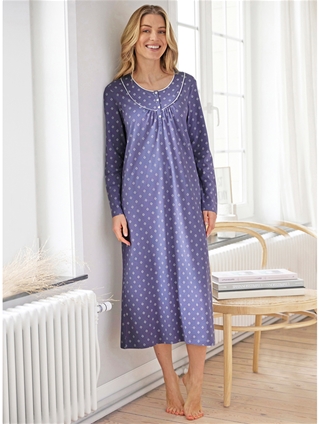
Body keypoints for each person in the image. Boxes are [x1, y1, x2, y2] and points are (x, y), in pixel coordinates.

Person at [103, 4, 217, 421]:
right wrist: (117, 210)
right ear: (133, 37)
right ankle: (170, 379)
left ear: (168, 38)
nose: (154, 38)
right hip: (139, 208)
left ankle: (196, 380)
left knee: (194, 291)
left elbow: (201, 148)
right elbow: (113, 157)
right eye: (147, 30)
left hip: (186, 203)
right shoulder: (116, 93)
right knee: (152, 292)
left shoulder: (186, 85)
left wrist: (210, 200)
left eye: (161, 31)